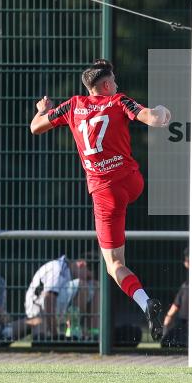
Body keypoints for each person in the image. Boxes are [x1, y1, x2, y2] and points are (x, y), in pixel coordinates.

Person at [29, 59, 171, 341]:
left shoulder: (72, 106)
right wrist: (164, 112)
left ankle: (145, 303)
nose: (116, 85)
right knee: (130, 186)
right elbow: (154, 119)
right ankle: (148, 305)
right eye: (114, 81)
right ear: (105, 86)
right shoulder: (117, 101)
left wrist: (42, 110)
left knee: (115, 265)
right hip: (131, 183)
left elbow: (35, 127)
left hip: (104, 193)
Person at [24, 255, 97, 339]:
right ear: (81, 264)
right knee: (82, 285)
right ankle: (73, 330)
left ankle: (92, 331)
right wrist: (55, 335)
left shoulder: (67, 270)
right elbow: (48, 298)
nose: (87, 281)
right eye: (88, 277)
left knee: (95, 285)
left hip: (45, 310)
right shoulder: (58, 267)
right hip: (38, 308)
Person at [161, 247, 190, 348]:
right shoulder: (186, 285)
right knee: (167, 341)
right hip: (184, 325)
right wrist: (168, 317)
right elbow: (175, 305)